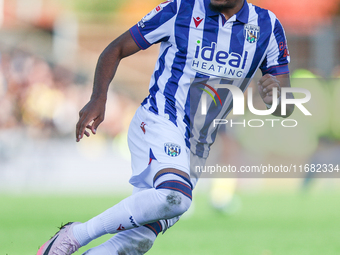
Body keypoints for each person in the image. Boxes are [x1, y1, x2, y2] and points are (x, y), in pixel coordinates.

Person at [37, 0, 294, 254]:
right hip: (159, 120)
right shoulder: (180, 9)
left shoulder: (268, 26)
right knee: (175, 195)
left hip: (197, 147)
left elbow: (285, 106)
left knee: (136, 241)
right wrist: (98, 97)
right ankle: (74, 235)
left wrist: (275, 97)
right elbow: (116, 48)